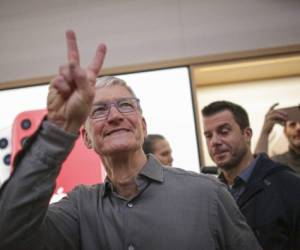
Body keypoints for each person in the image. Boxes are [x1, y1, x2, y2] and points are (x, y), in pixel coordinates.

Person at [0, 30, 261, 250]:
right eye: (99, 110)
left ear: (143, 127)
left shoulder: (208, 194)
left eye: (125, 105)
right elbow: (10, 235)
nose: (114, 116)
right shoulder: (79, 209)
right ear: (86, 138)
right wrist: (57, 130)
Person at [201, 100, 300, 250]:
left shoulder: (288, 185)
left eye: (224, 131)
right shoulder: (211, 194)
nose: (214, 141)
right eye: (208, 135)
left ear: (246, 134)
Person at [255, 103, 300, 174]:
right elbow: (256, 174)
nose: (298, 128)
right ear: (285, 132)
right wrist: (265, 132)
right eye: (292, 124)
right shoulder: (276, 163)